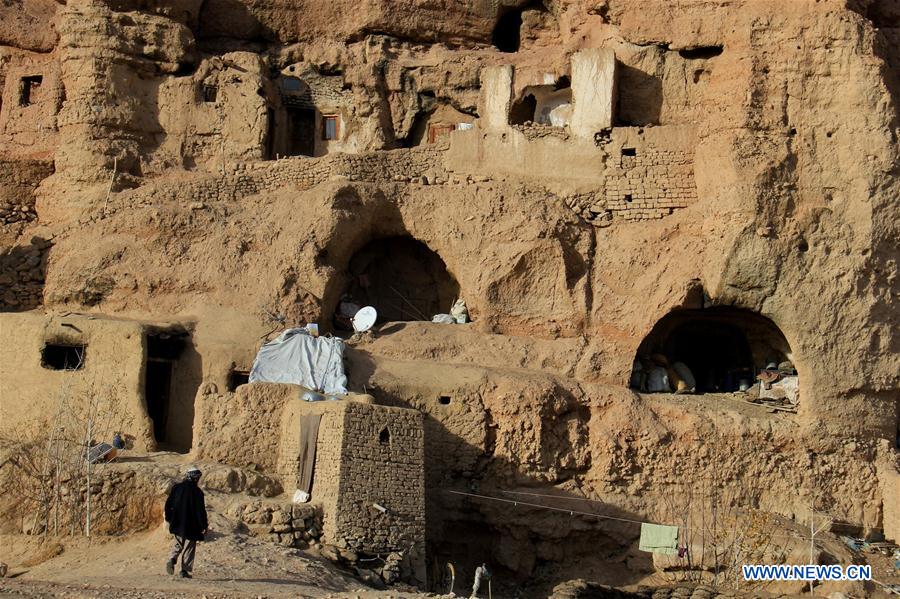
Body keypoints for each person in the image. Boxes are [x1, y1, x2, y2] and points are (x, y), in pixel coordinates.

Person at [164, 466, 208, 578]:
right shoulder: (198, 492)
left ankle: (172, 558)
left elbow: (168, 504)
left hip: (178, 521)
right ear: (195, 478)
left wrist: (170, 518)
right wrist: (204, 525)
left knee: (178, 541)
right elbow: (201, 511)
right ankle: (184, 571)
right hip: (192, 524)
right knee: (190, 546)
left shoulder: (177, 488)